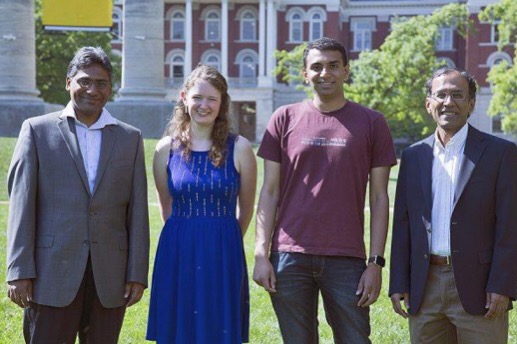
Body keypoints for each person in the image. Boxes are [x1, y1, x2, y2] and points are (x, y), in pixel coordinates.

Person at [253, 37, 396, 343]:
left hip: (346, 258)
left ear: (346, 70)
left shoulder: (372, 122)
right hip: (290, 256)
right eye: (316, 67)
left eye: (333, 66)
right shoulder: (284, 118)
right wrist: (260, 254)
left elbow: (380, 197)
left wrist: (376, 263)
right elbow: (269, 191)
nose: (324, 73)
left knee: (355, 339)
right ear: (305, 73)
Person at [6, 46, 150, 343]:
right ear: (68, 82)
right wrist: (18, 270)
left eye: (101, 83)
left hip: (109, 277)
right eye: (84, 80)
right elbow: (22, 204)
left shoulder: (130, 138)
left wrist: (137, 273)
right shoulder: (36, 131)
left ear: (111, 88)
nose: (92, 90)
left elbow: (137, 212)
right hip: (50, 274)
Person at [389, 67, 517, 343]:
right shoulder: (413, 156)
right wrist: (399, 281)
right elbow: (402, 224)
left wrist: (502, 285)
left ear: (471, 103)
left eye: (458, 95)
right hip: (425, 287)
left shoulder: (501, 154)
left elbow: (510, 226)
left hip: (480, 287)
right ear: (428, 104)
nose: (449, 102)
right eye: (441, 95)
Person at [146, 64, 256, 344]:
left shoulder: (240, 148)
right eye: (197, 97)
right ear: (184, 97)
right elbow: (166, 205)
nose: (203, 105)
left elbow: (246, 208)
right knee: (178, 326)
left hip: (223, 250)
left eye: (212, 99)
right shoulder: (164, 149)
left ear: (222, 104)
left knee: (218, 327)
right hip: (177, 249)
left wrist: (224, 238)